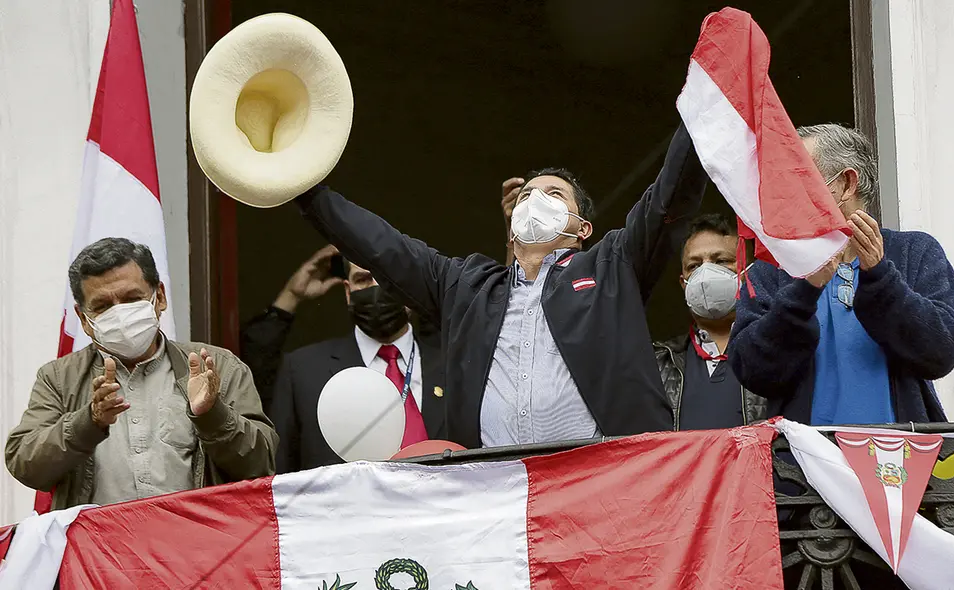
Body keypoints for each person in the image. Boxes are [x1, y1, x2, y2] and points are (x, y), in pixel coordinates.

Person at [293, 122, 707, 449]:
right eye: (526, 195)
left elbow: (669, 196)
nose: (536, 201)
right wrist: (303, 190)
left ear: (583, 228)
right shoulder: (465, 287)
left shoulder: (612, 265)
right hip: (498, 496)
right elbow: (383, 248)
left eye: (554, 194)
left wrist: (702, 104)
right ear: (511, 229)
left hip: (600, 484)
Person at [4, 238, 277, 509]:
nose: (120, 315)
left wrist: (212, 415)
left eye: (132, 299)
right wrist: (88, 422)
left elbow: (261, 465)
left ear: (160, 297)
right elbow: (26, 465)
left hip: (195, 535)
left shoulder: (216, 366)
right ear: (84, 319)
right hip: (99, 538)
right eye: (103, 306)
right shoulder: (59, 378)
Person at [729, 124, 954, 425]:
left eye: (798, 176)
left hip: (899, 452)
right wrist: (804, 291)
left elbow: (941, 354)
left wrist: (880, 276)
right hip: (803, 453)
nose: (785, 193)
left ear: (846, 184)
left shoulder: (915, 251)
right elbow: (752, 371)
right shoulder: (773, 265)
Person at [267, 252, 447, 472]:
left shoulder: (454, 368)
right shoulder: (302, 371)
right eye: (363, 279)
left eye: (388, 277)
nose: (376, 289)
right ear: (348, 292)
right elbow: (280, 474)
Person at [652, 214, 766, 430]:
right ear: (684, 283)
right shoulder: (658, 363)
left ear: (750, 272)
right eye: (694, 266)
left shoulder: (778, 352)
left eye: (721, 261)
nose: (705, 274)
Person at [240, 245, 344, 411]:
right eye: (362, 279)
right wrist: (291, 296)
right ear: (348, 288)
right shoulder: (307, 365)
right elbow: (257, 365)